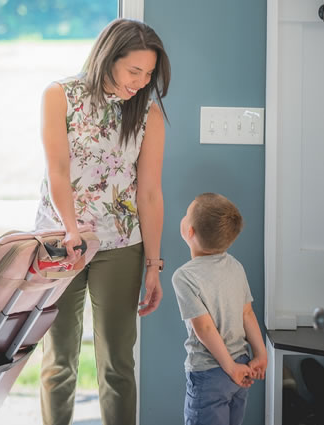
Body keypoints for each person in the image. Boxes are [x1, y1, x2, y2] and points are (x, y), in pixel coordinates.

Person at [34, 18, 171, 425]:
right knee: (59, 361)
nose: (141, 81)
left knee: (117, 364)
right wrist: (71, 228)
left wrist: (153, 264)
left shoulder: (149, 115)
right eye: (135, 71)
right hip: (62, 238)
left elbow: (149, 194)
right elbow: (58, 170)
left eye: (148, 74)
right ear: (109, 58)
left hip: (121, 245)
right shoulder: (60, 96)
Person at [172, 193, 267, 425]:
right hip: (241, 367)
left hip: (210, 373)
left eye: (186, 215)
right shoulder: (235, 265)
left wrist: (229, 367)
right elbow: (247, 314)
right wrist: (261, 354)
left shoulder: (184, 276)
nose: (183, 218)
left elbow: (204, 328)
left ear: (190, 232)